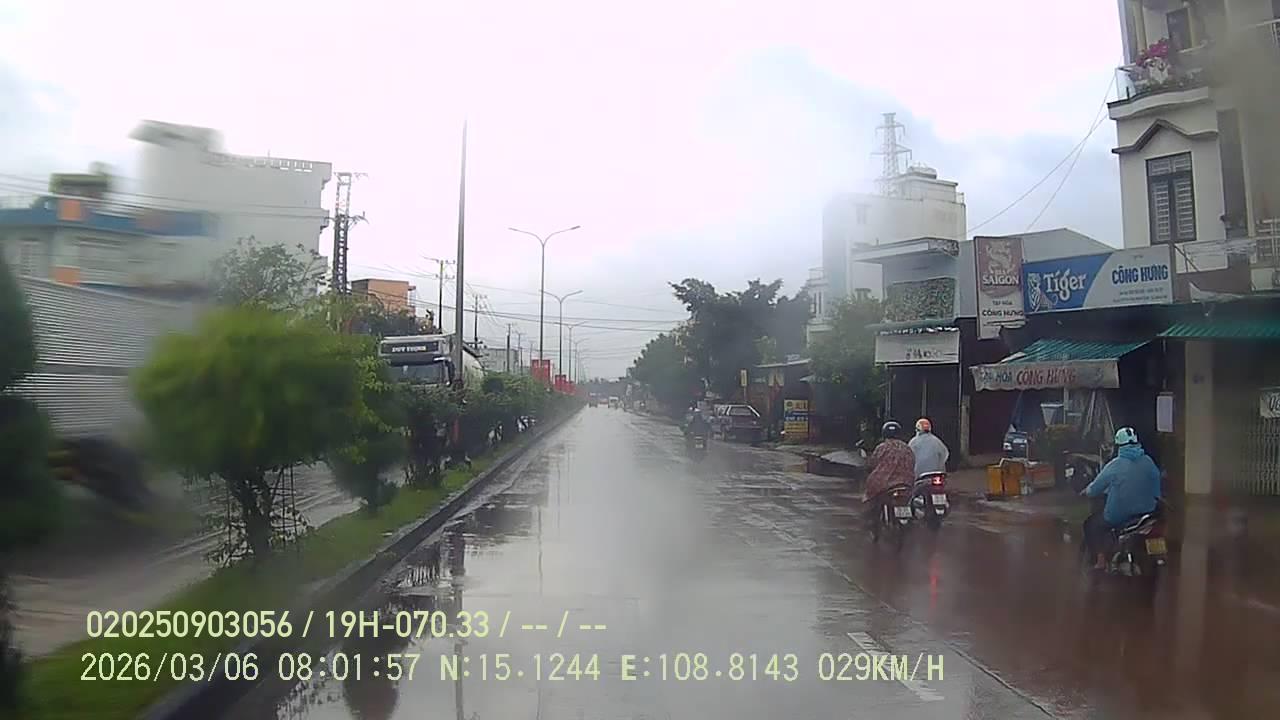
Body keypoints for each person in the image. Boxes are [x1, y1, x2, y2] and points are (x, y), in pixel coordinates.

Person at [1081, 427, 1163, 570]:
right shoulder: (1148, 461)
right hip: (1148, 512)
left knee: (1091, 525)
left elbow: (1095, 488)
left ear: (1118, 446)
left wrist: (1087, 491)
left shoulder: (1115, 465)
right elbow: (1157, 482)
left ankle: (1100, 561)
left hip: (1120, 515)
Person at [864, 421, 916, 522]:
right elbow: (913, 463)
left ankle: (872, 522)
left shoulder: (882, 448)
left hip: (885, 484)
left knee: (871, 502)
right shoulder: (907, 448)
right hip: (906, 483)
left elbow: (872, 463)